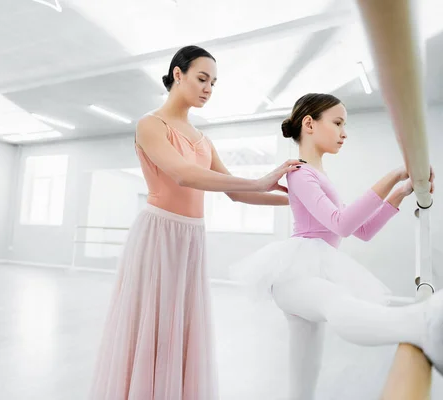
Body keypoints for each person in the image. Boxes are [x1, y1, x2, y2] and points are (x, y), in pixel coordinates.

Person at [230, 93, 443, 399]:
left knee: (305, 371)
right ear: (309, 124)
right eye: (338, 122)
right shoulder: (299, 173)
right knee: (337, 303)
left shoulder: (319, 175)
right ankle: (424, 322)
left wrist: (399, 192)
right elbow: (341, 223)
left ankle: (427, 322)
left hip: (314, 268)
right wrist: (393, 175)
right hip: (295, 272)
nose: (344, 132)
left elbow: (363, 230)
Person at [88, 45, 302, 400]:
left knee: (181, 326)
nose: (208, 89)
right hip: (158, 233)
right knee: (152, 325)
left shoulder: (203, 139)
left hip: (191, 237)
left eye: (213, 83)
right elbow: (183, 175)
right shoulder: (149, 124)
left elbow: (236, 193)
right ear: (178, 74)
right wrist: (261, 180)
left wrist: (295, 199)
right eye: (202, 78)